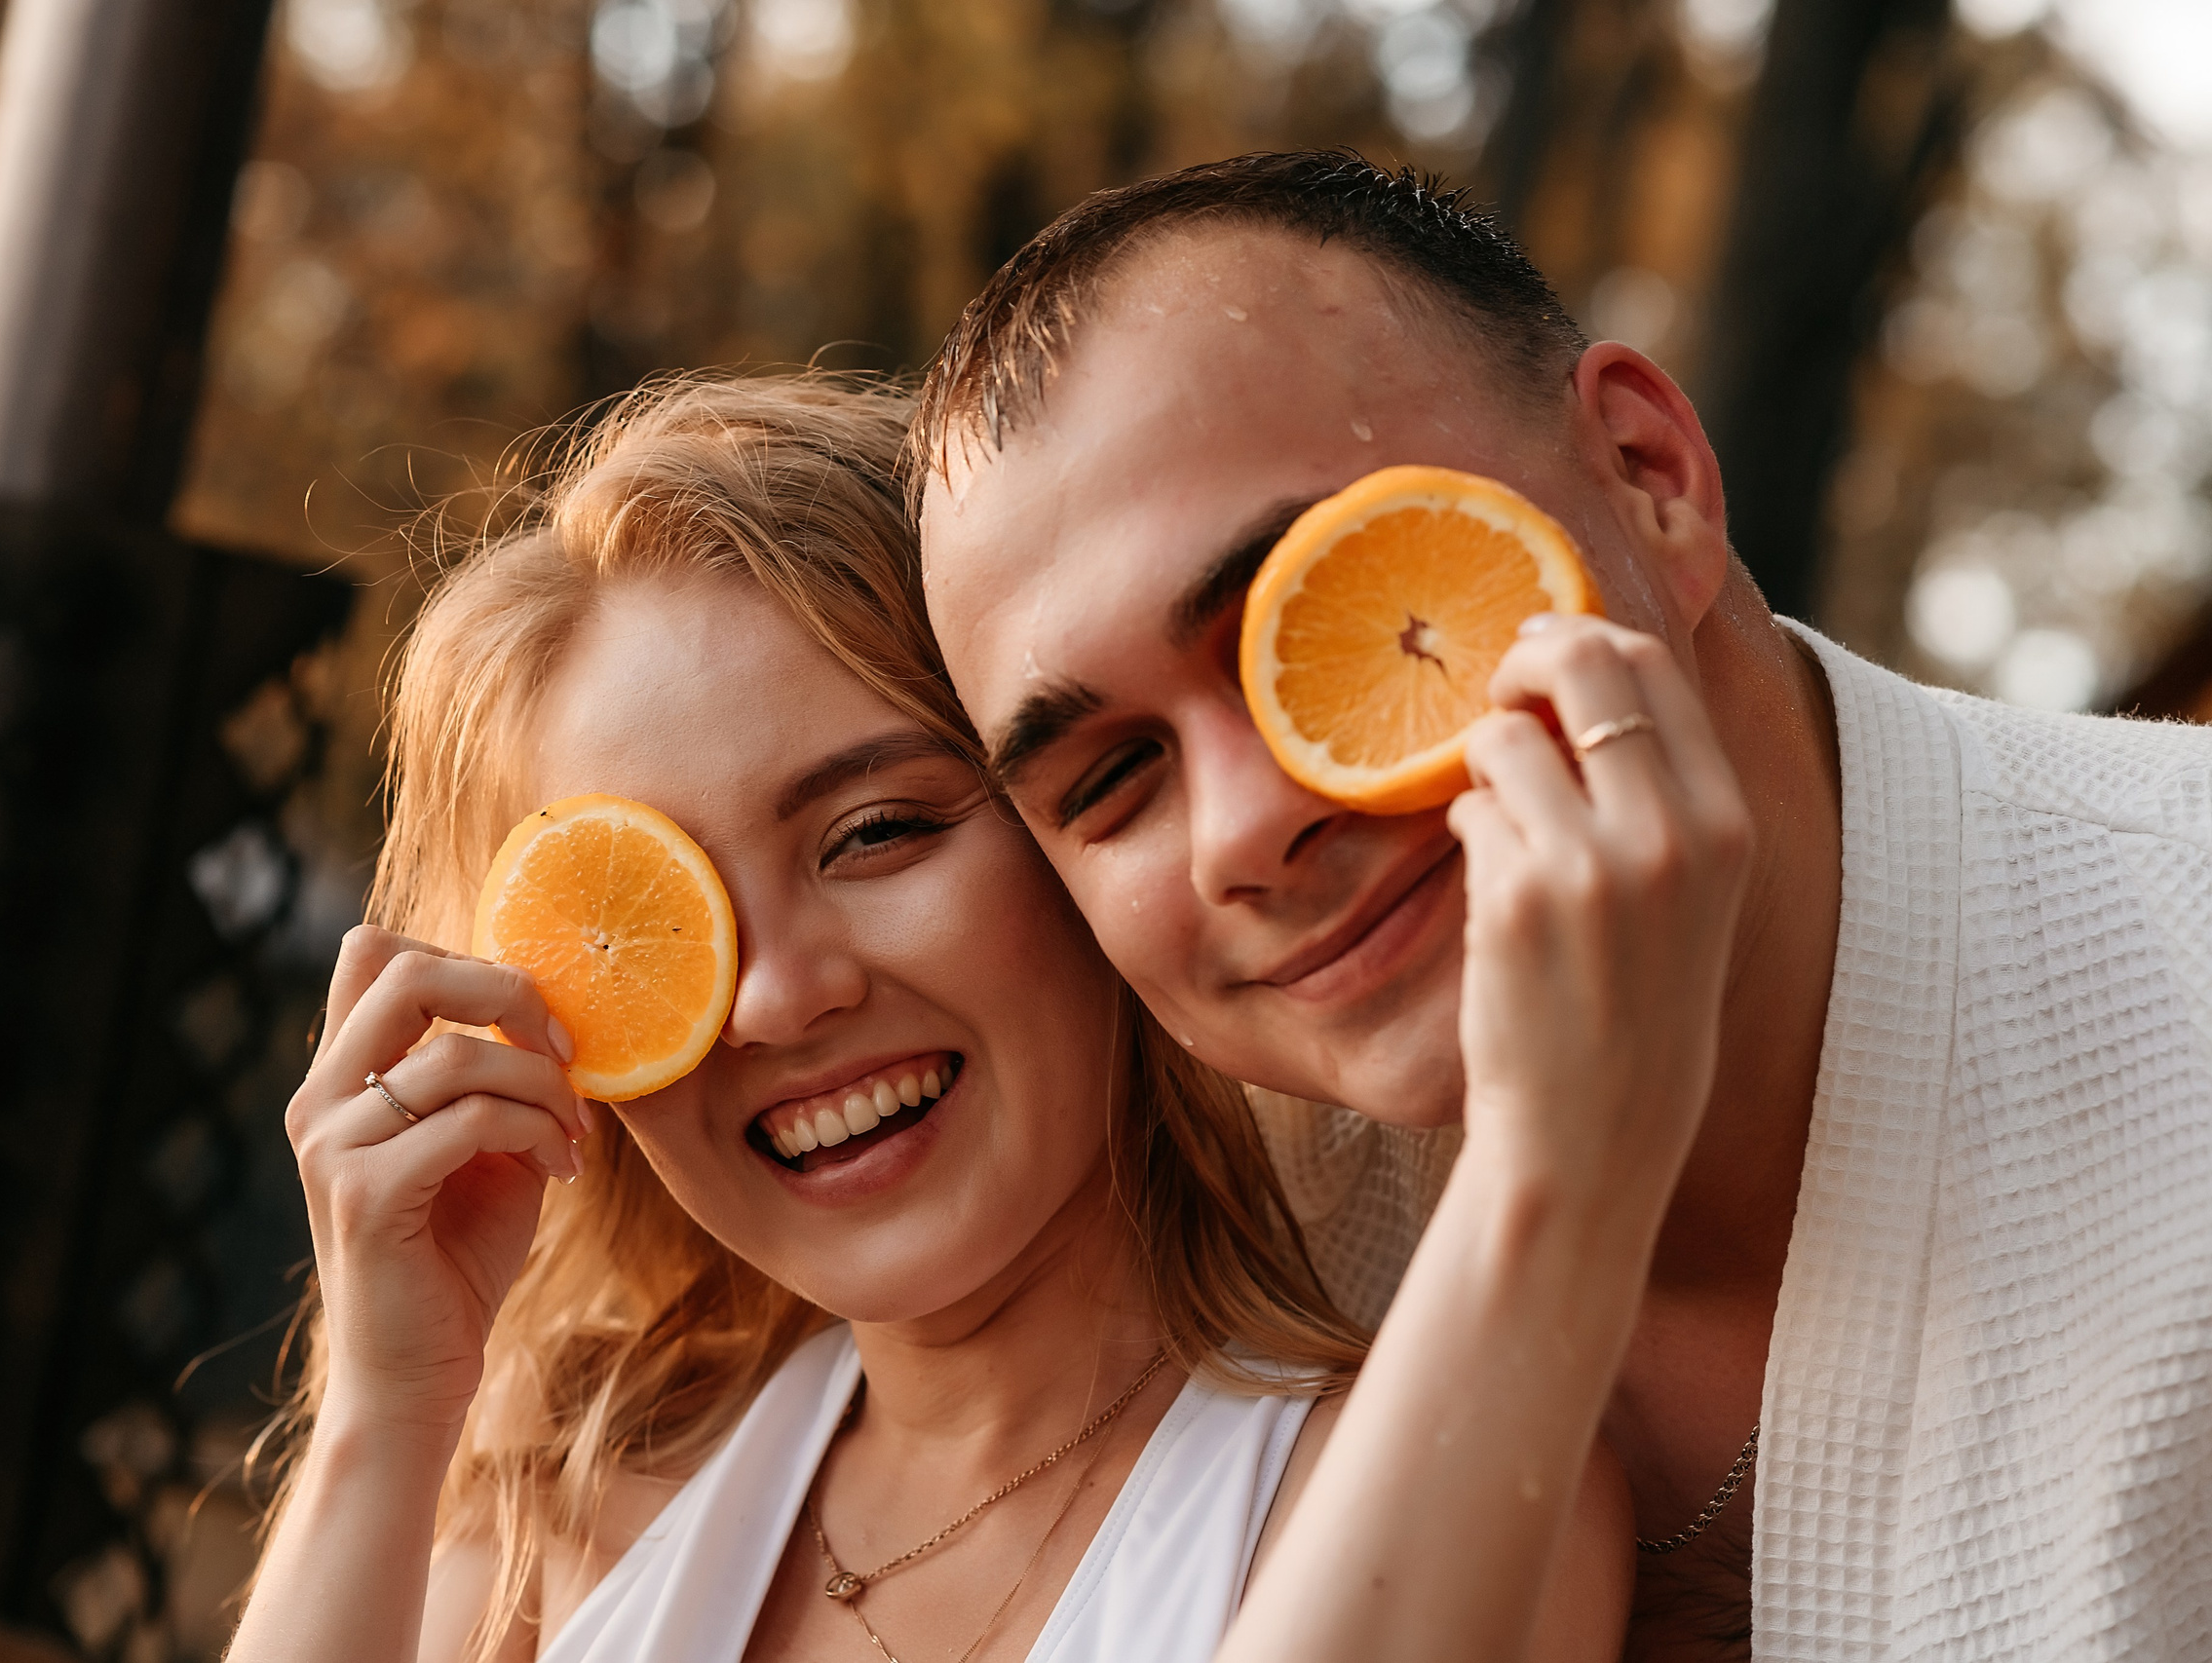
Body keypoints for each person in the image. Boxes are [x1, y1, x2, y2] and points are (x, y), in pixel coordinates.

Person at [907, 149, 2212, 1661]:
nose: (1244, 836)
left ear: (1649, 477)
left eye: (1328, 618)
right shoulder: (1185, 1238)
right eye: (1112, 777)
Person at [225, 374, 1751, 1663]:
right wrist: (385, 1409)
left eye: (877, 833)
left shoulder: (1394, 1496)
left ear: (1082, 831)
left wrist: (1559, 1154)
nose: (777, 993)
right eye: (655, 923)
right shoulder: (550, 1525)